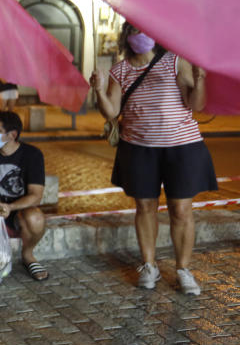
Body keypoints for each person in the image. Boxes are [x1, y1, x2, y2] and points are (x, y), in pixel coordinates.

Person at [90, 23, 216, 295]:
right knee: (145, 207)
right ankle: (149, 265)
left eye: (144, 29)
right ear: (126, 37)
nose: (140, 35)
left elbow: (196, 105)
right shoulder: (119, 71)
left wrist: (200, 78)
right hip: (138, 149)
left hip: (182, 148)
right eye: (134, 30)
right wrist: (99, 90)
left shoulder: (175, 61)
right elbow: (111, 111)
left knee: (180, 210)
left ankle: (183, 269)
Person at [0, 111, 48, 288]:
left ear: (12, 135)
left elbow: (36, 195)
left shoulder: (32, 155)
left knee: (36, 218)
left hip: (17, 211)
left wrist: (11, 207)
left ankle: (27, 255)